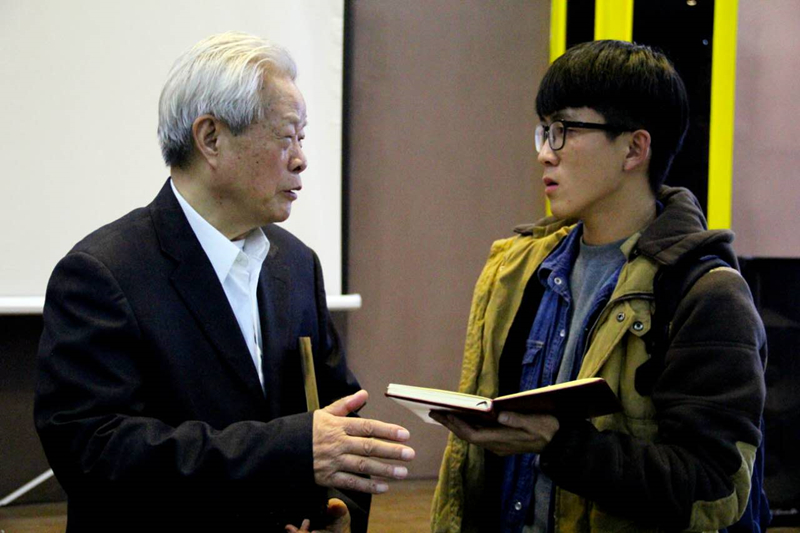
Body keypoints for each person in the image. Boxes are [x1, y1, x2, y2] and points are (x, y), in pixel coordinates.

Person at [34, 32, 414, 532]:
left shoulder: (297, 264)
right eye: (286, 136)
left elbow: (338, 428)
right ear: (211, 138)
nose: (300, 159)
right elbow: (95, 452)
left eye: (303, 139)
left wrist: (337, 514)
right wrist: (288, 451)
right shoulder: (101, 273)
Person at [430, 40, 768, 532]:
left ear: (634, 148)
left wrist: (560, 444)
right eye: (544, 131)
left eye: (564, 131)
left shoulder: (705, 294)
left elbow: (713, 489)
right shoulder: (518, 268)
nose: (544, 154)